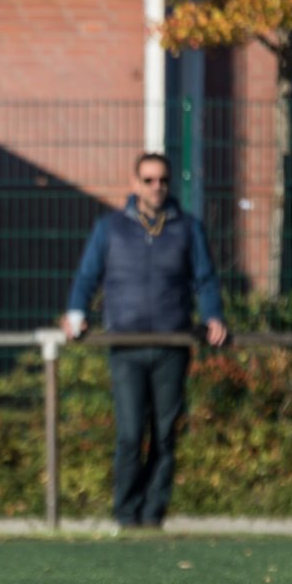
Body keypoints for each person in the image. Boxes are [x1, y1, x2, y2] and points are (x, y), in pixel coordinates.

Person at [60, 152, 227, 528]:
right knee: (131, 434)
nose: (156, 187)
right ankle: (126, 514)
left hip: (172, 347)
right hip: (126, 347)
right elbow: (88, 277)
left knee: (166, 435)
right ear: (135, 184)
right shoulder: (110, 228)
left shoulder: (188, 228)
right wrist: (76, 312)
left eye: (163, 180)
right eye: (148, 180)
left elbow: (205, 279)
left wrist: (213, 315)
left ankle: (153, 515)